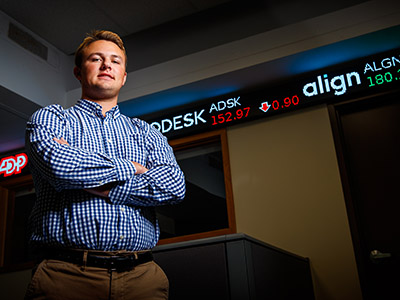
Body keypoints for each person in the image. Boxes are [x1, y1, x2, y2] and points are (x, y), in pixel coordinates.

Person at [24, 30, 186, 300]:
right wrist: (133, 167)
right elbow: (59, 166)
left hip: (142, 277)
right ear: (78, 72)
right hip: (66, 277)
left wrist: (93, 181)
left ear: (123, 76)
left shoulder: (145, 131)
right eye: (96, 59)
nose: (106, 65)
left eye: (115, 61)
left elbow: (173, 186)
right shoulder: (51, 118)